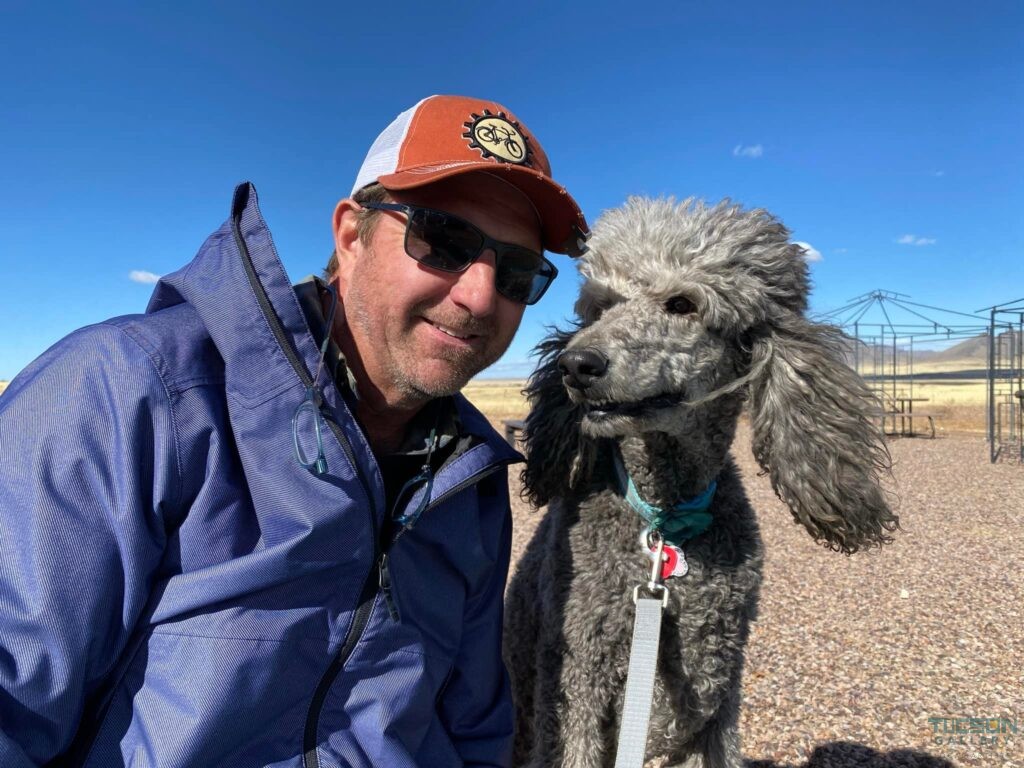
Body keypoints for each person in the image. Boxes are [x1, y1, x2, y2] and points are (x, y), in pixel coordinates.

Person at [0, 95, 588, 767]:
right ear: (350, 235)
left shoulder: (470, 480)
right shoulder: (129, 394)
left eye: (518, 272)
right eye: (445, 239)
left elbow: (474, 727)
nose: (481, 296)